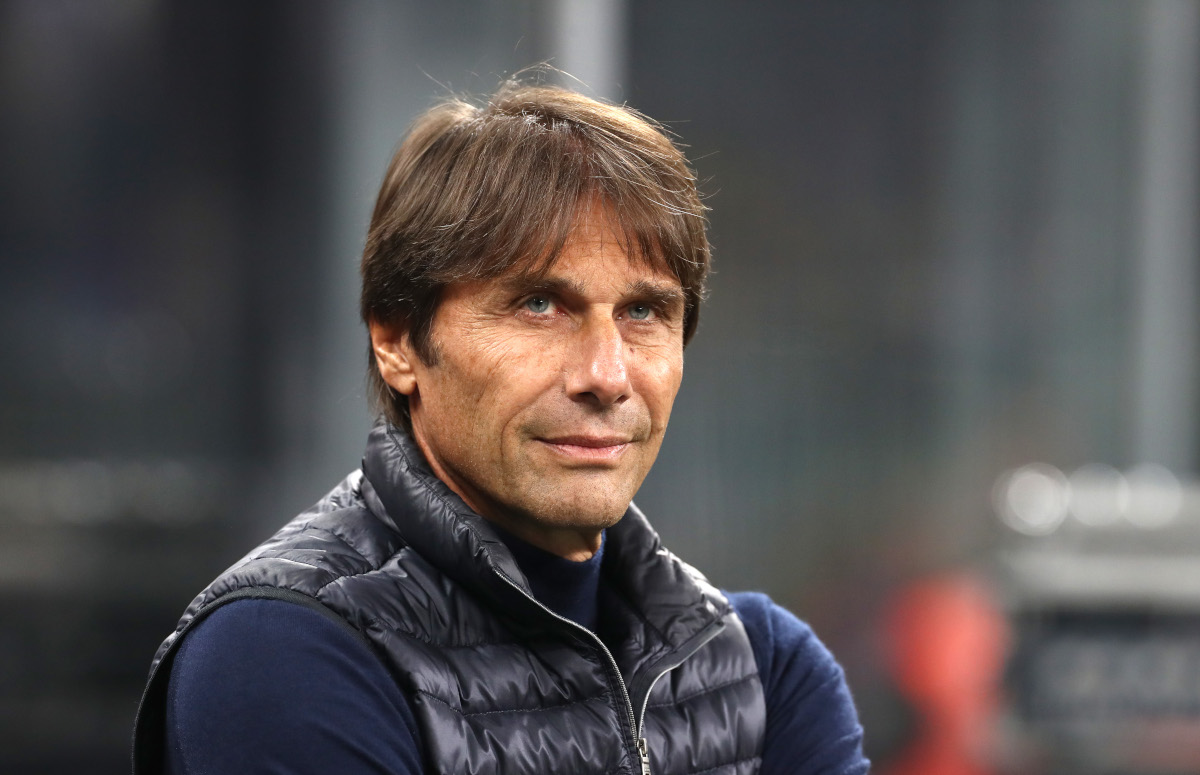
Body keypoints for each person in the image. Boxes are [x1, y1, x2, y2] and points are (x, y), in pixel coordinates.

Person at [132, 80, 869, 775]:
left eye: (644, 312)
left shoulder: (763, 667)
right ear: (397, 341)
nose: (607, 375)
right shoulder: (283, 652)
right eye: (540, 305)